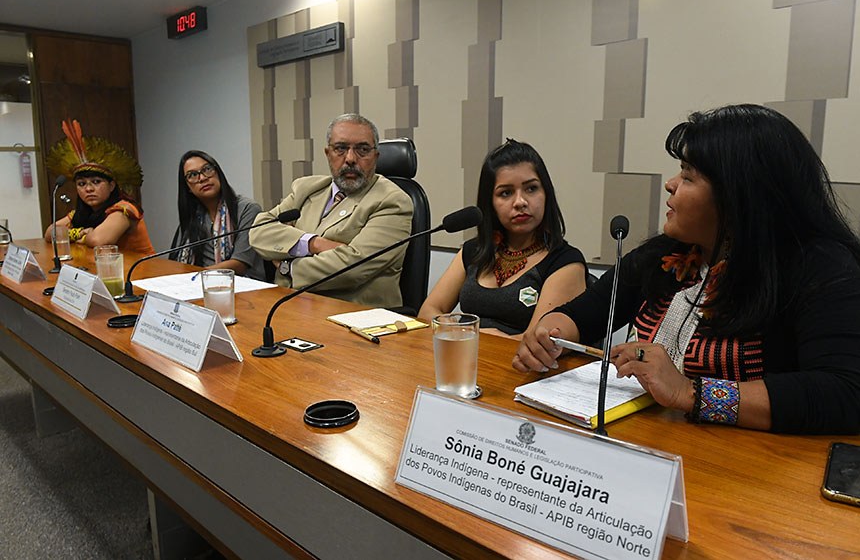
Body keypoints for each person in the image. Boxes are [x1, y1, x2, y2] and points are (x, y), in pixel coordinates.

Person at [513, 104, 860, 435]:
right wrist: (548, 332)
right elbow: (585, 313)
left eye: (689, 176)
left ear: (739, 195)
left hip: (748, 472)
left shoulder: (821, 268)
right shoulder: (665, 255)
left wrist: (689, 392)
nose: (671, 184)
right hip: (656, 444)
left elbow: (846, 392)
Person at [418, 139, 588, 338]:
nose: (520, 202)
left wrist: (467, 334)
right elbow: (427, 313)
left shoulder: (565, 262)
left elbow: (536, 346)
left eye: (531, 189)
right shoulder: (474, 251)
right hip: (466, 361)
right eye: (506, 193)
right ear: (489, 202)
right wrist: (462, 331)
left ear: (546, 194)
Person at [249, 113, 413, 307]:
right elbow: (259, 230)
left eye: (362, 150)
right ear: (328, 153)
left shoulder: (393, 201)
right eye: (341, 149)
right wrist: (313, 243)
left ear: (375, 156)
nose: (350, 158)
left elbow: (353, 267)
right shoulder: (307, 188)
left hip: (355, 317)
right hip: (292, 305)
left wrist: (287, 267)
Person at [45, 119, 154, 254]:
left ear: (112, 185)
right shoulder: (84, 211)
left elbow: (98, 240)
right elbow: (50, 233)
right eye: (81, 184)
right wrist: (80, 233)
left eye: (96, 182)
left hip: (143, 271)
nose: (89, 189)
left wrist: (85, 235)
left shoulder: (123, 209)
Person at [169, 150, 266, 281]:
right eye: (192, 175)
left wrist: (196, 275)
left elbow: (240, 264)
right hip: (200, 286)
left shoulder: (247, 208)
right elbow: (177, 262)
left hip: (244, 286)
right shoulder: (192, 217)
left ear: (218, 172)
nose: (202, 178)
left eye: (207, 169)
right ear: (187, 188)